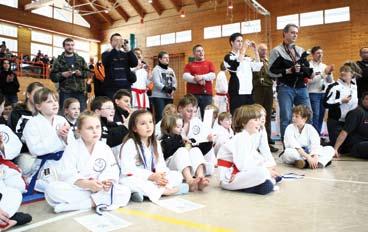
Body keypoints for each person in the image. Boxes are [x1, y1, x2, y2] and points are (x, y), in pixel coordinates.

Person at [45, 111, 130, 213]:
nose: (95, 131)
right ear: (79, 130)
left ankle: (83, 204)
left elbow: (112, 170)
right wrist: (87, 184)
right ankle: (97, 201)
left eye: (98, 127)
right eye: (90, 128)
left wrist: (106, 182)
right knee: (52, 189)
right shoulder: (72, 147)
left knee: (125, 191)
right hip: (80, 188)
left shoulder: (104, 147)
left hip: (100, 188)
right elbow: (67, 174)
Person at [119, 110, 188, 203]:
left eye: (150, 122)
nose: (148, 126)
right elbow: (128, 169)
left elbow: (161, 164)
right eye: (143, 123)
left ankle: (142, 194)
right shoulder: (130, 144)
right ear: (134, 128)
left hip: (154, 178)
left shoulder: (156, 143)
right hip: (137, 178)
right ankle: (168, 191)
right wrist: (151, 176)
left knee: (177, 175)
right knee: (130, 183)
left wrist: (161, 176)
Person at [21, 88, 73, 193]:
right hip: (45, 163)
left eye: (55, 101)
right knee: (54, 187)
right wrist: (56, 135)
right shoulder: (32, 123)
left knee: (73, 181)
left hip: (63, 161)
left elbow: (71, 145)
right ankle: (30, 180)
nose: (54, 104)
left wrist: (65, 137)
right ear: (38, 106)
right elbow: (35, 150)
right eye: (49, 101)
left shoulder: (61, 120)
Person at [217, 105, 277, 195]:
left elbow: (255, 158)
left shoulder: (248, 138)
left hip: (239, 174)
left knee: (266, 175)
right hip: (229, 177)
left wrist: (266, 165)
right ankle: (255, 185)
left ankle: (256, 185)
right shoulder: (240, 138)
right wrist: (266, 170)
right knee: (263, 173)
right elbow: (242, 166)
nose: (259, 123)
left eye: (259, 120)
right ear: (244, 123)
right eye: (255, 120)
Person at [269, 24, 313, 139]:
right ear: (285, 33)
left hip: (301, 87)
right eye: (292, 32)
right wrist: (287, 71)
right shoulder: (276, 51)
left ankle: (306, 144)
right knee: (286, 118)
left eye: (297, 33)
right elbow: (271, 72)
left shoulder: (300, 50)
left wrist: (304, 70)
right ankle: (287, 146)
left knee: (308, 115)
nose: (295, 35)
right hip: (285, 88)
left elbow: (307, 69)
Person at [160, 114, 209, 192]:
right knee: (182, 150)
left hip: (183, 167)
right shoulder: (164, 140)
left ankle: (200, 177)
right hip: (170, 166)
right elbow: (169, 147)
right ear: (168, 127)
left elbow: (201, 150)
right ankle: (189, 180)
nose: (181, 129)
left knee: (195, 150)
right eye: (178, 127)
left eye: (181, 127)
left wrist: (208, 141)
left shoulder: (182, 139)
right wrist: (181, 138)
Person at [224, 33, 262, 115]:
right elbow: (234, 67)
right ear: (232, 42)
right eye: (238, 41)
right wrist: (244, 49)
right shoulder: (228, 56)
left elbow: (257, 67)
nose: (240, 43)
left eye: (242, 41)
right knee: (237, 115)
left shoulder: (246, 57)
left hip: (249, 90)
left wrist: (255, 50)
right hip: (237, 91)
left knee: (249, 116)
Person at [178, 94, 216, 176]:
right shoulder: (173, 121)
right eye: (189, 111)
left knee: (198, 151)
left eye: (194, 111)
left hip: (196, 152)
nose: (192, 115)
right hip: (181, 155)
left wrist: (210, 138)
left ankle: (200, 175)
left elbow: (207, 135)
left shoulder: (197, 121)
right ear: (180, 109)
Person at [50, 38, 89, 111]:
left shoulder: (81, 59)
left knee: (82, 113)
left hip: (80, 92)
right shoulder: (58, 60)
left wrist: (81, 74)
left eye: (72, 45)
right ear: (64, 46)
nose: (70, 47)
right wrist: (62, 75)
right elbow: (53, 77)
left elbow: (88, 73)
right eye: (68, 45)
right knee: (65, 113)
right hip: (65, 92)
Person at [324, 64, 358, 146]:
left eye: (346, 71)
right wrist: (341, 101)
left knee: (350, 147)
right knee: (338, 148)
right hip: (336, 122)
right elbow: (326, 103)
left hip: (349, 122)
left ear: (352, 74)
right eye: (341, 71)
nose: (343, 72)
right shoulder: (334, 86)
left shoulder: (355, 87)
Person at [8, 82, 44, 153]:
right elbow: (17, 135)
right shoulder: (17, 112)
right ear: (28, 94)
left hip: (41, 151)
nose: (39, 97)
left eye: (41, 94)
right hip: (23, 151)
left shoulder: (43, 114)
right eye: (36, 94)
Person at [102, 33, 138, 99]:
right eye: (116, 40)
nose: (118, 42)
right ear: (111, 42)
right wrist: (115, 49)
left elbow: (134, 64)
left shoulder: (125, 54)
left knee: (126, 108)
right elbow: (106, 63)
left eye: (120, 40)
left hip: (125, 87)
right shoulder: (106, 53)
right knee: (112, 108)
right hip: (111, 88)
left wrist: (129, 51)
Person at [252, 43, 276, 146]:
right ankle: (257, 138)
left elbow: (274, 75)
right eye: (262, 49)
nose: (264, 51)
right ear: (257, 51)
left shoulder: (269, 62)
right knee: (258, 114)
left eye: (266, 50)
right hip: (258, 89)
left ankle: (267, 138)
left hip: (269, 89)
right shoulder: (254, 62)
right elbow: (256, 74)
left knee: (268, 114)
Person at [183, 45, 216, 118]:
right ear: (194, 53)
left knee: (207, 117)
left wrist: (201, 77)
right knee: (190, 116)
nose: (201, 52)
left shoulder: (209, 63)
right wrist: (197, 81)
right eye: (198, 51)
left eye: (202, 50)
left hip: (207, 95)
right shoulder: (189, 65)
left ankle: (206, 129)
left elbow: (213, 75)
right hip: (192, 95)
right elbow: (185, 76)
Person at [307, 46, 334, 133]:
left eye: (321, 53)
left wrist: (329, 72)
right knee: (315, 115)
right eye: (318, 53)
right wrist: (323, 74)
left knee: (321, 116)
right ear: (313, 54)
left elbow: (329, 81)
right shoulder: (309, 65)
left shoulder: (324, 66)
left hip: (323, 93)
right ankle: (314, 136)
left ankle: (317, 134)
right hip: (313, 93)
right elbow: (309, 81)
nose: (320, 55)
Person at [333, 92, 368, 159]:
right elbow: (344, 132)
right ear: (362, 100)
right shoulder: (357, 112)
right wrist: (335, 149)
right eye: (367, 99)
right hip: (356, 146)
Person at [151, 51, 177, 122]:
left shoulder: (171, 70)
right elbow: (157, 83)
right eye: (165, 58)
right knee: (160, 116)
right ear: (160, 59)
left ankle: (168, 131)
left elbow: (175, 82)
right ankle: (159, 132)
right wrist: (168, 90)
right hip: (159, 97)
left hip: (169, 96)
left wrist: (173, 89)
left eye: (168, 58)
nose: (167, 59)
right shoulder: (156, 69)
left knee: (169, 115)